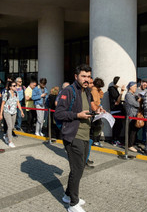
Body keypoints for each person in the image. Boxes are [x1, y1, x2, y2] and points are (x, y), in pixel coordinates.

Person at [54, 64, 95, 212]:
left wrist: (97, 112)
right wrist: (77, 115)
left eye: (88, 76)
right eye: (83, 76)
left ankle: (67, 195)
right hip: (73, 135)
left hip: (85, 134)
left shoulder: (86, 91)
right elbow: (58, 114)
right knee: (77, 169)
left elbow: (87, 109)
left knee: (79, 167)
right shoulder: (68, 91)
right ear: (76, 76)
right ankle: (73, 203)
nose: (86, 79)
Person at [0, 81, 24, 148]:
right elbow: (3, 103)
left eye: (15, 85)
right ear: (10, 87)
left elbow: (18, 102)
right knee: (10, 126)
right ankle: (10, 141)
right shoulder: (6, 94)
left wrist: (21, 111)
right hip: (7, 112)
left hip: (14, 112)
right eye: (13, 86)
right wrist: (1, 114)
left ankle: (6, 136)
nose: (15, 87)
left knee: (12, 127)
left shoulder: (16, 93)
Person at [107, 76, 125, 146]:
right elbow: (117, 101)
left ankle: (116, 139)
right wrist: (122, 92)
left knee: (119, 126)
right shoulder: (112, 89)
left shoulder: (115, 89)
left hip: (118, 110)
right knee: (117, 126)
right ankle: (114, 140)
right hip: (115, 110)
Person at [124, 81, 142, 153]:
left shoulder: (133, 95)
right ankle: (129, 145)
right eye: (134, 86)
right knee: (132, 131)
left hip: (134, 115)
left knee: (134, 131)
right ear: (130, 87)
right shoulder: (128, 95)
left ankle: (132, 144)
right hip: (131, 115)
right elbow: (136, 104)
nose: (135, 88)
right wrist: (138, 101)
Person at [90, 78, 105, 147]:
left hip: (95, 110)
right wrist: (99, 107)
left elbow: (101, 95)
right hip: (96, 111)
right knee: (97, 126)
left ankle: (94, 140)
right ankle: (95, 140)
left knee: (96, 125)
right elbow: (96, 101)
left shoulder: (95, 90)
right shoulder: (94, 91)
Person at [137, 78, 147, 144]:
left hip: (144, 110)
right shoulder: (136, 90)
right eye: (144, 85)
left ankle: (144, 139)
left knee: (145, 126)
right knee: (137, 125)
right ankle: (135, 140)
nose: (145, 86)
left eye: (146, 85)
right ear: (141, 83)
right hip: (138, 110)